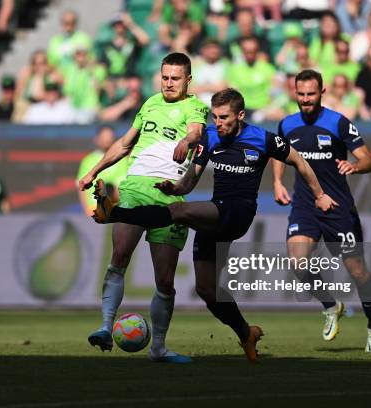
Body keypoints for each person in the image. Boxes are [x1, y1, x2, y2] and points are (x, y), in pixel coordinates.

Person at [91, 88, 337, 362]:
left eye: (224, 118)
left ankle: (114, 214)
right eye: (215, 117)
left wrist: (320, 194)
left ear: (240, 115)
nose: (217, 123)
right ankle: (246, 333)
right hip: (215, 215)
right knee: (207, 290)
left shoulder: (263, 139)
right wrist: (175, 187)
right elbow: (190, 180)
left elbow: (299, 161)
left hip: (237, 212)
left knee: (179, 211)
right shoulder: (208, 138)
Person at [78, 52, 208, 363]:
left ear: (188, 80)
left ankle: (159, 348)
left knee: (164, 280)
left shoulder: (196, 106)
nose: (168, 83)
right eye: (165, 77)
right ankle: (106, 327)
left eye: (175, 78)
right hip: (135, 188)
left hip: (169, 196)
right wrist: (94, 170)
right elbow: (124, 143)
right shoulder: (149, 103)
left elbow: (196, 131)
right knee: (118, 258)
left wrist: (187, 142)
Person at [272, 69, 371, 353]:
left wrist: (355, 166)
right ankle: (331, 305)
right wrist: (276, 182)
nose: (306, 100)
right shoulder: (287, 125)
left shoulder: (338, 123)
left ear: (322, 92)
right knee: (297, 263)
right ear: (294, 93)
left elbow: (369, 159)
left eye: (311, 94)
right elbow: (278, 154)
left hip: (337, 207)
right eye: (301, 94)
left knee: (357, 271)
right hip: (304, 205)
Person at [76, 126, 128, 216]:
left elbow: (125, 187)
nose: (106, 140)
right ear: (96, 139)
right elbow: (81, 187)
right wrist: (86, 210)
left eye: (109, 137)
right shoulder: (88, 160)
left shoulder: (123, 160)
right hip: (93, 210)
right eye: (103, 137)